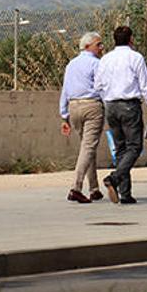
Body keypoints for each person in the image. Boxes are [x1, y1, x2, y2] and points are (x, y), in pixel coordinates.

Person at [94, 26, 147, 204]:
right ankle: (114, 179)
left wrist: (107, 100)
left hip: (110, 106)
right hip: (129, 106)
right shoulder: (135, 57)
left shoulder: (105, 59)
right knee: (135, 147)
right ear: (130, 39)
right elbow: (146, 86)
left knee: (121, 149)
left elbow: (98, 85)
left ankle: (125, 193)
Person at [59, 32, 105, 204]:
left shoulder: (71, 65)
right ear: (87, 46)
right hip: (91, 106)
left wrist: (64, 115)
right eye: (98, 44)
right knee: (88, 147)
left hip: (73, 107)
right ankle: (76, 188)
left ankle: (94, 188)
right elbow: (101, 87)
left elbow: (65, 89)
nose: (101, 48)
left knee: (88, 147)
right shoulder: (96, 64)